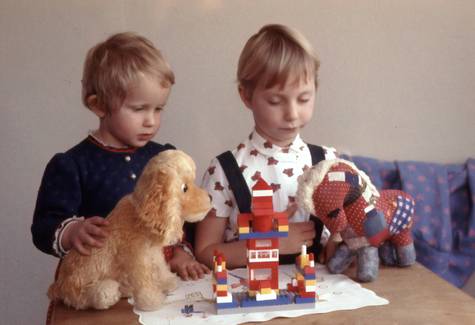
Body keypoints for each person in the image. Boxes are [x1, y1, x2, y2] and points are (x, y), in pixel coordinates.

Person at [31, 32, 209, 280]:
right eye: (139, 109)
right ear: (99, 105)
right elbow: (43, 226)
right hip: (101, 283)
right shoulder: (72, 165)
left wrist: (181, 251)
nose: (151, 121)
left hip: (158, 281)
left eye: (158, 109)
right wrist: (72, 232)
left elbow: (182, 214)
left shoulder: (163, 157)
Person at [195, 24, 338, 269]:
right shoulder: (225, 170)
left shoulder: (327, 161)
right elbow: (205, 252)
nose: (292, 114)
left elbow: (343, 230)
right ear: (246, 96)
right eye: (275, 101)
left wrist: (339, 242)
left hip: (318, 295)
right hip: (250, 298)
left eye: (304, 98)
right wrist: (271, 245)